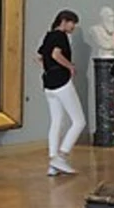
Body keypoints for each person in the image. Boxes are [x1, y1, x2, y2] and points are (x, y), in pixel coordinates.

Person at [36, 10, 86, 176]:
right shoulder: (60, 36)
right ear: (64, 21)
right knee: (79, 121)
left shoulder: (49, 35)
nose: (73, 27)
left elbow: (39, 57)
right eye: (73, 23)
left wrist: (48, 69)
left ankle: (53, 163)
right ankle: (62, 156)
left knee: (56, 121)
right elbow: (56, 54)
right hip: (61, 83)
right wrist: (70, 66)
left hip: (48, 84)